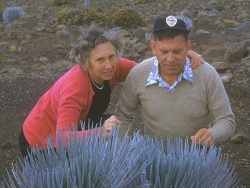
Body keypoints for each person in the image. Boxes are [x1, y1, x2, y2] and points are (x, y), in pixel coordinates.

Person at [18, 24, 203, 157]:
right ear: (86, 62)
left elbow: (148, 70)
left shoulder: (116, 67)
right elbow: (63, 138)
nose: (109, 65)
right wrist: (100, 132)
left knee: (116, 131)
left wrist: (180, 54)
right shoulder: (75, 88)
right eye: (100, 60)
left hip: (82, 124)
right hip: (40, 142)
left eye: (111, 57)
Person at [112, 16, 235, 146]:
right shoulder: (138, 74)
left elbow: (226, 121)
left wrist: (213, 134)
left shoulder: (206, 74)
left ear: (188, 47)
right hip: (153, 160)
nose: (170, 59)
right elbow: (122, 117)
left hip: (198, 160)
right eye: (164, 51)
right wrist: (119, 151)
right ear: (153, 47)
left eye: (177, 51)